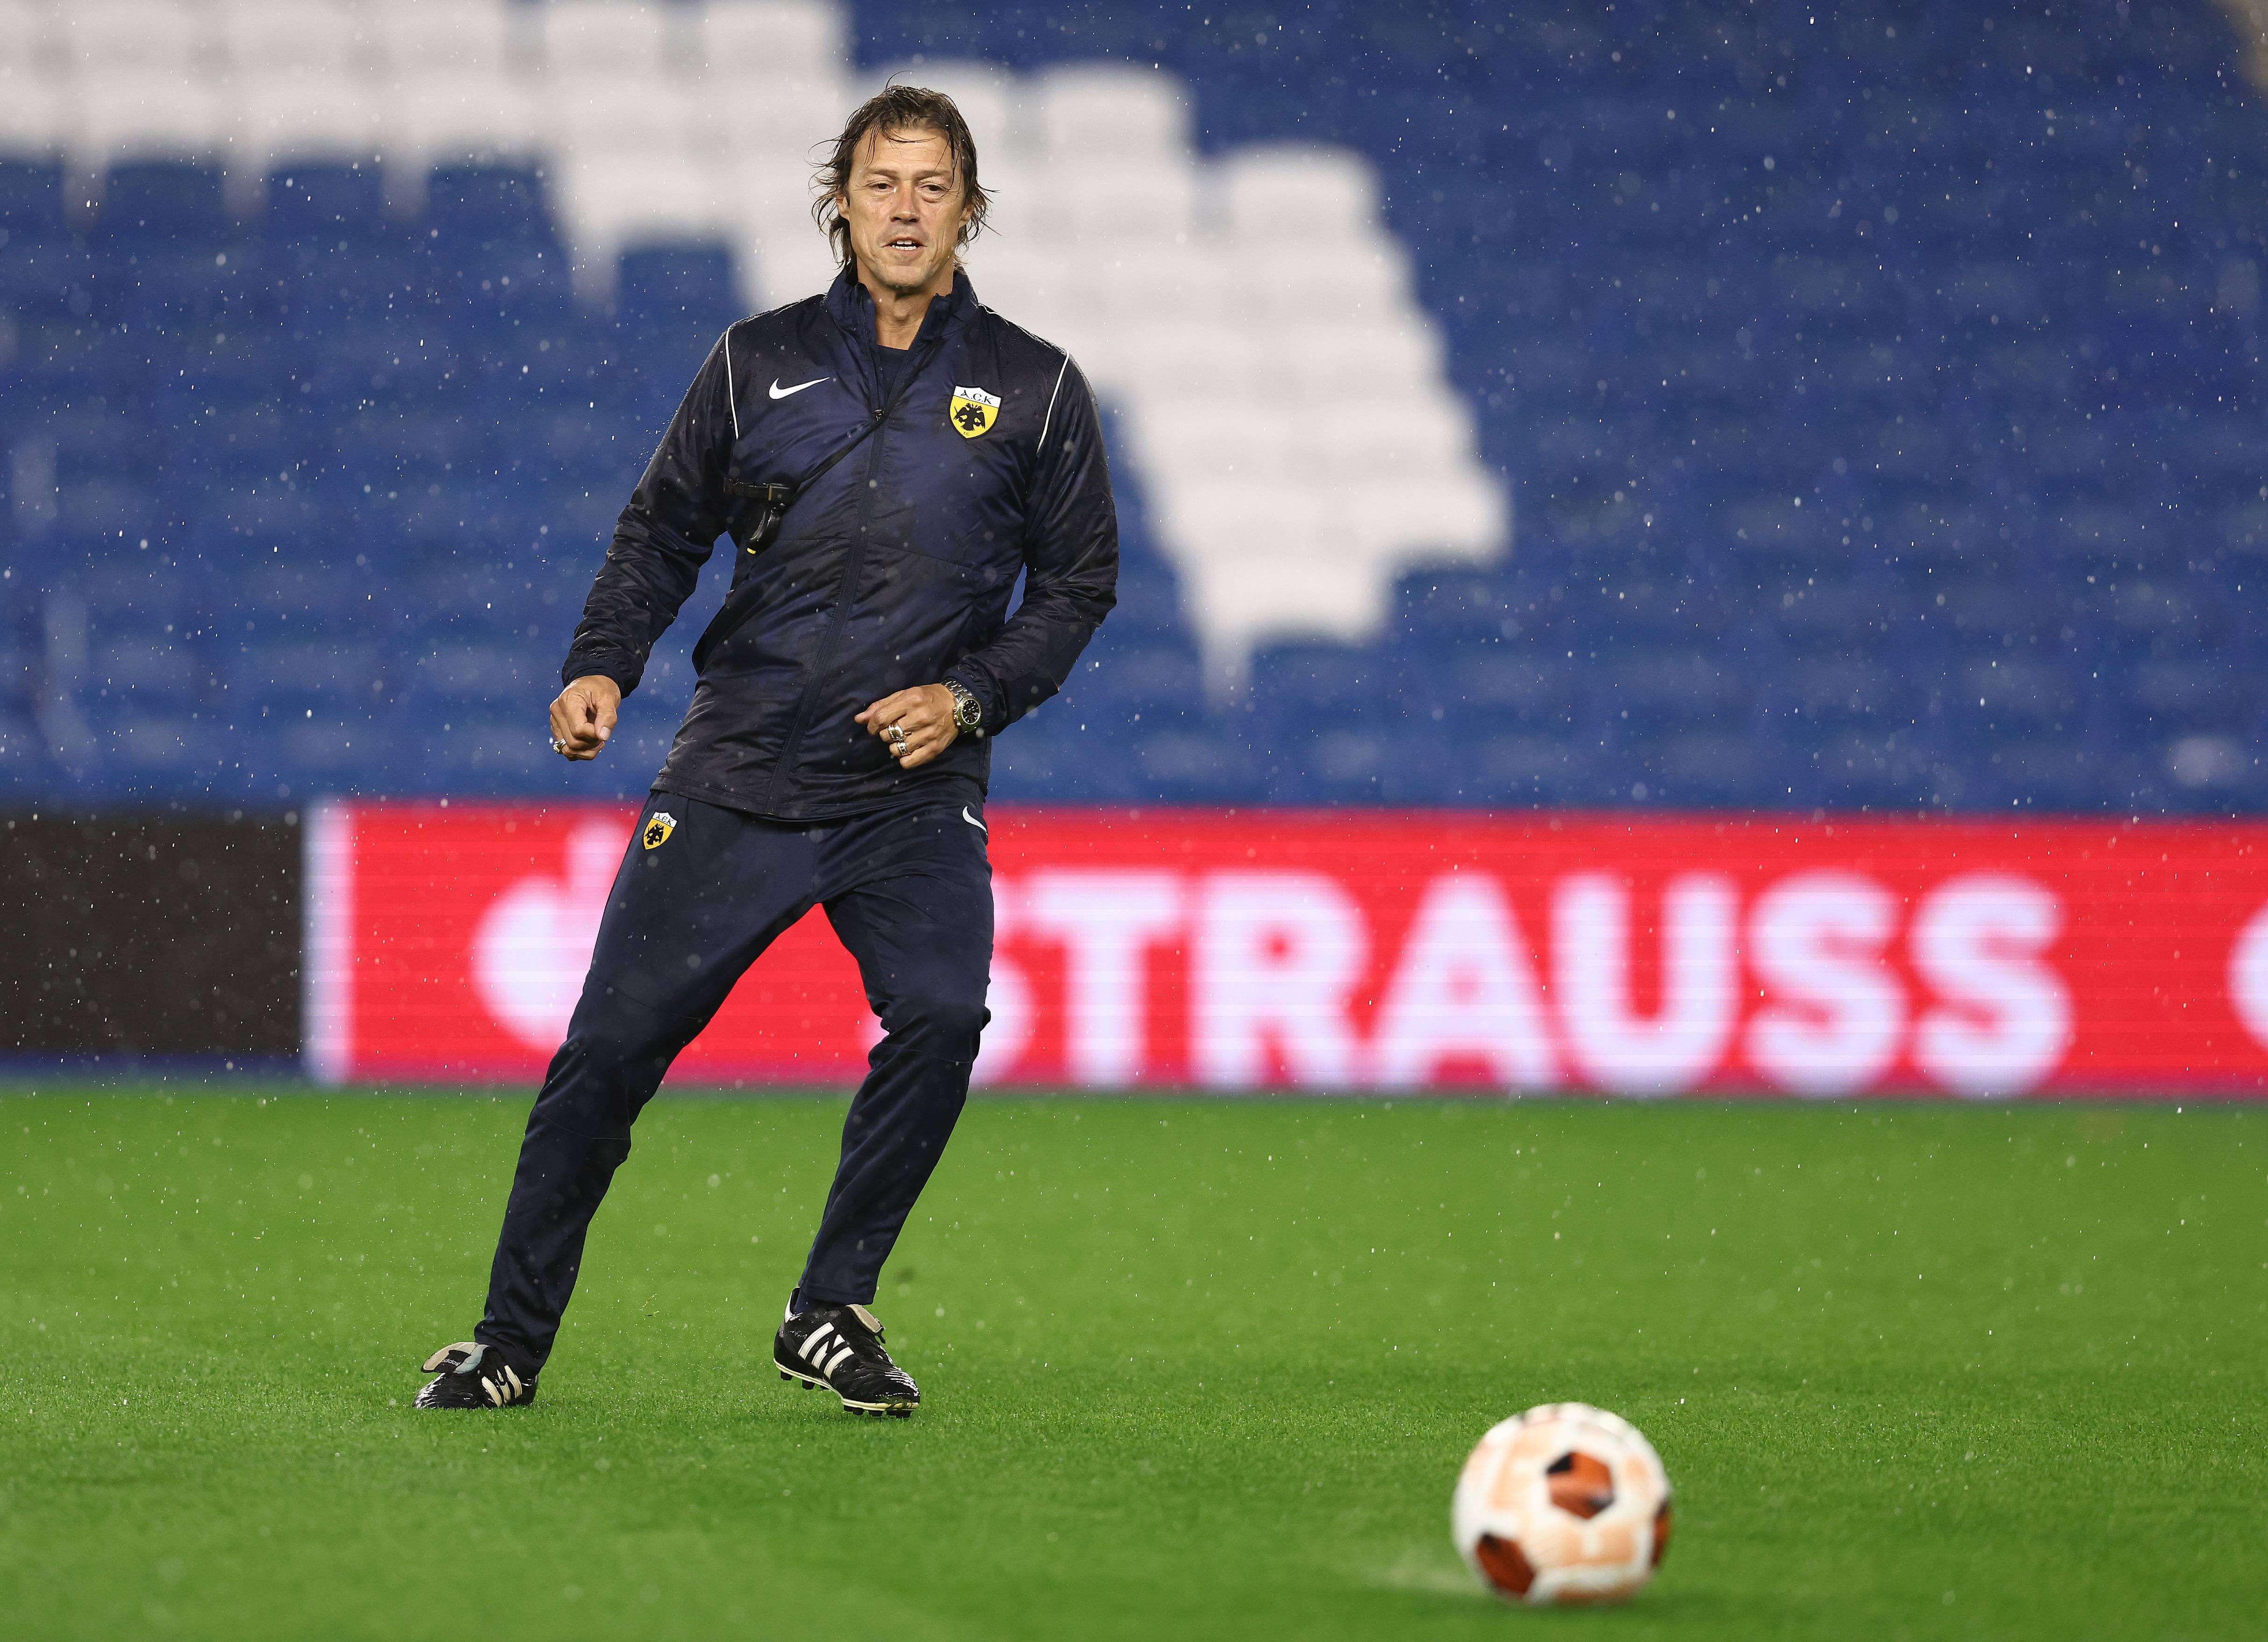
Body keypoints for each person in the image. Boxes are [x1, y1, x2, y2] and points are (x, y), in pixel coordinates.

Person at [414, 85, 1118, 1416]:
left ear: (971, 210)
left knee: (946, 1015)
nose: (905, 210)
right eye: (880, 184)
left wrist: (968, 699)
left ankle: (830, 1308)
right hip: (737, 768)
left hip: (910, 789)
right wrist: (600, 663)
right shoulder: (754, 360)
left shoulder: (1037, 388)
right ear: (838, 204)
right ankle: (509, 1341)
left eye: (931, 187)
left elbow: (1081, 588)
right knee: (607, 1058)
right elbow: (661, 529)